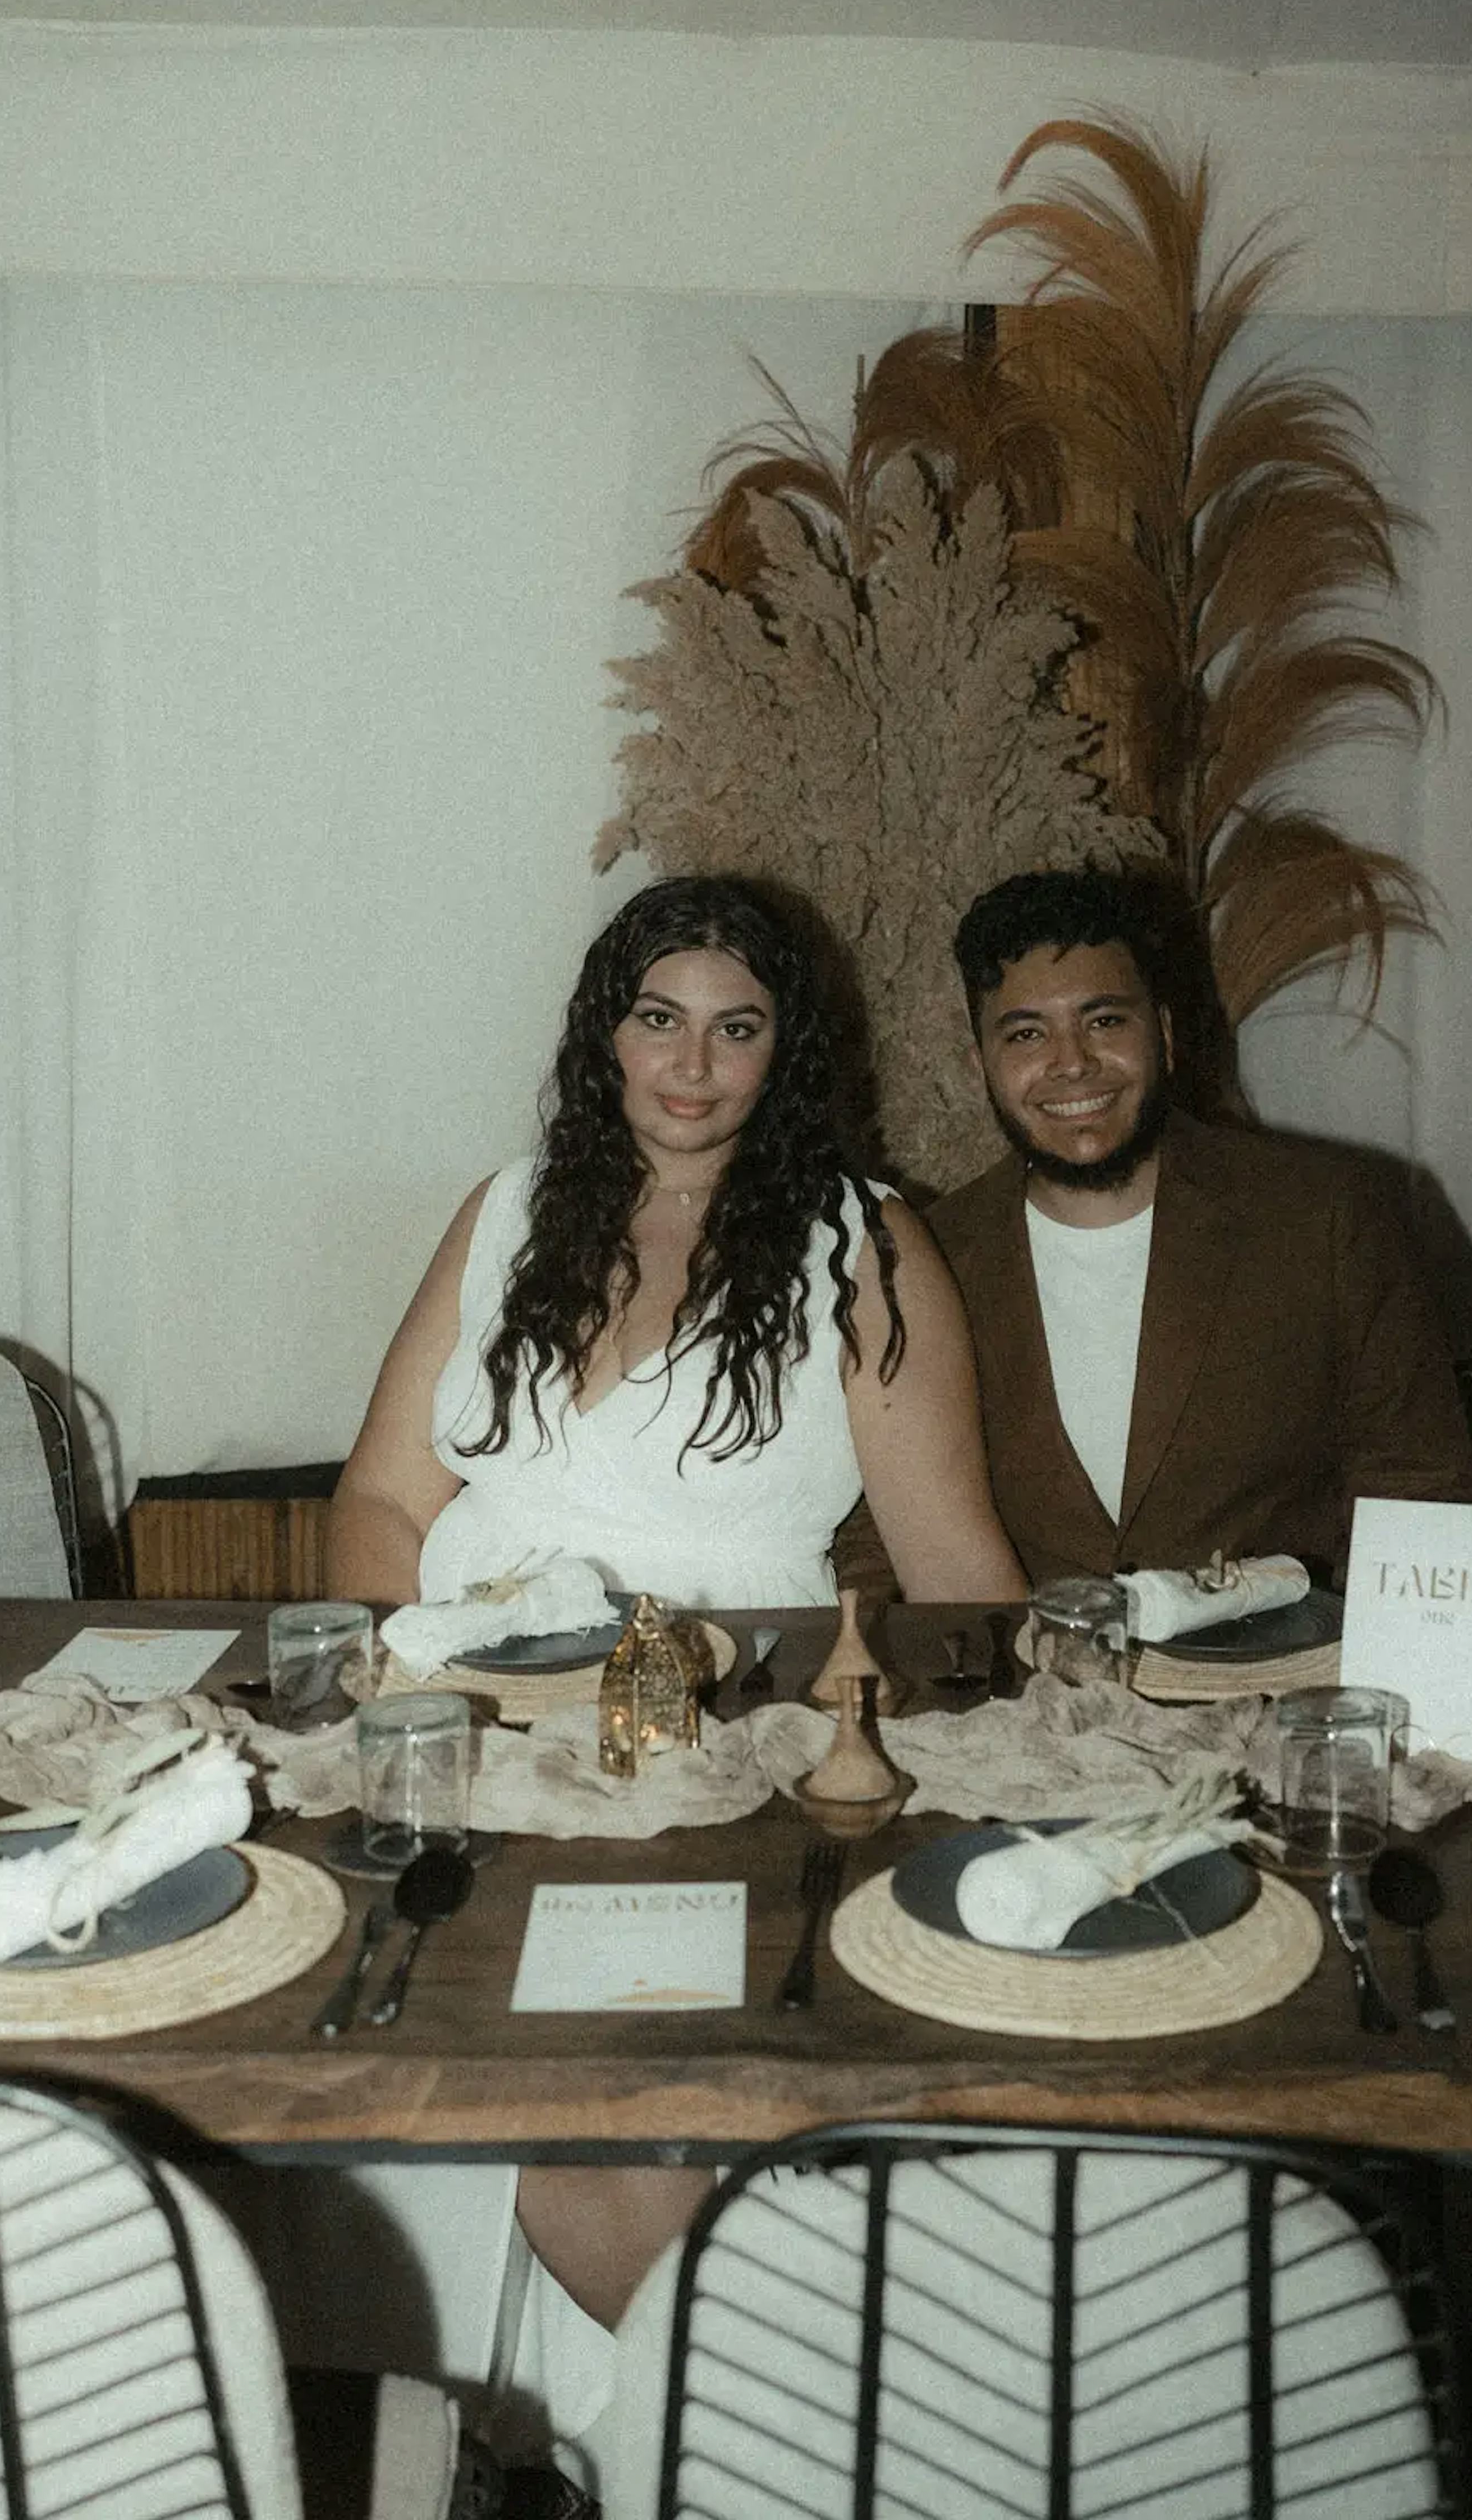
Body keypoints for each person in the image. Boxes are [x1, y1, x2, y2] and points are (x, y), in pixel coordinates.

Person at [318, 875, 1024, 2493]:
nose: (691, 1066)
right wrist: (397, 1712)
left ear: (788, 1053)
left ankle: (777, 2455)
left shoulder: (861, 1239)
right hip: (465, 1740)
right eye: (658, 1020)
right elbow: (379, 1502)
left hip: (697, 1757)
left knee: (596, 2139)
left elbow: (958, 1567)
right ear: (605, 1036)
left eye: (737, 1027)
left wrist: (1011, 1771)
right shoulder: (507, 1210)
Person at [927, 869, 1472, 1587]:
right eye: (1027, 1033)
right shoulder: (928, 1257)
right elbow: (883, 1539)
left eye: (1104, 1021)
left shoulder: (1325, 1215)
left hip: (1285, 1679)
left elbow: (1426, 1496)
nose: (1072, 1062)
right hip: (1029, 1690)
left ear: (1164, 1033)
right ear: (981, 1065)